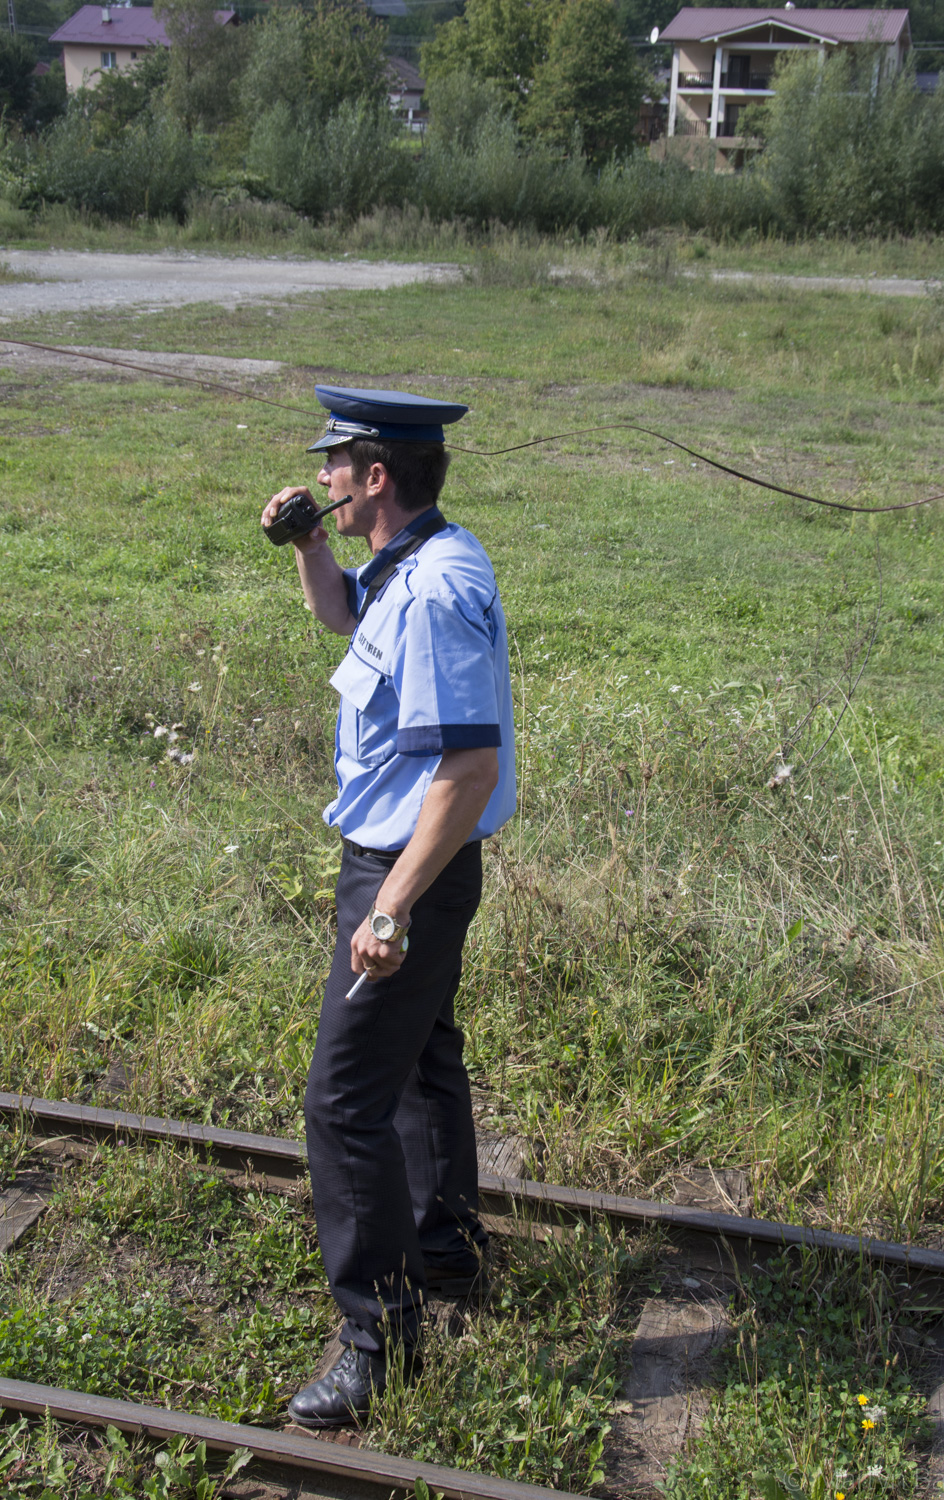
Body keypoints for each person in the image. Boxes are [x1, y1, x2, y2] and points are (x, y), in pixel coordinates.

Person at [261, 386, 516, 1429]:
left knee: (342, 1102)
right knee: (418, 1058)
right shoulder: (409, 561)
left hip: (408, 869)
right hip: (406, 863)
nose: (318, 477)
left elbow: (468, 766)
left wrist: (392, 910)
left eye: (331, 466)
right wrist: (306, 546)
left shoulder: (437, 590)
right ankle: (445, 1247)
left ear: (375, 477)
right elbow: (346, 618)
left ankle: (381, 1341)